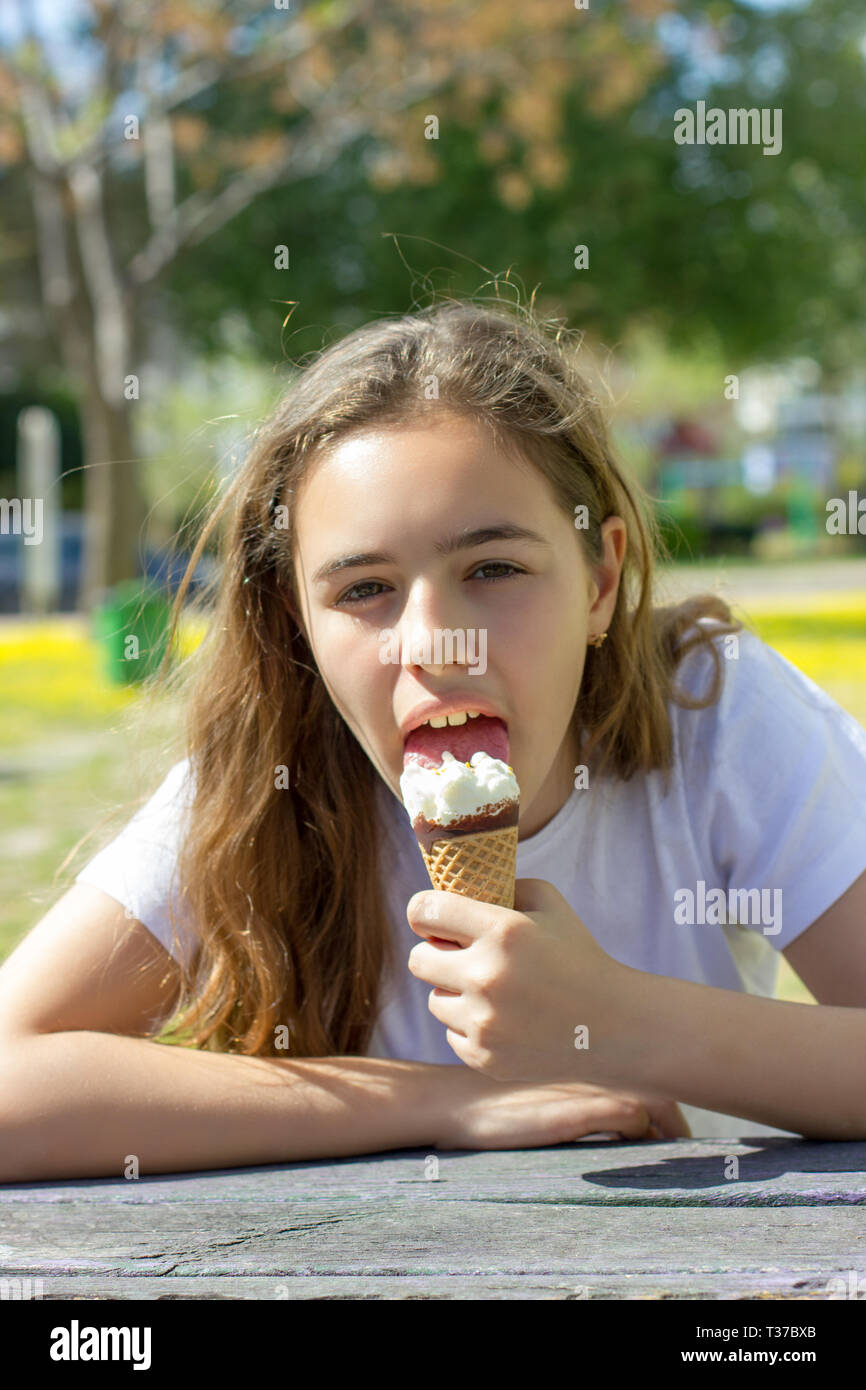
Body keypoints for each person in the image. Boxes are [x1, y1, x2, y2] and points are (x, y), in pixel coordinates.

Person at [2, 299, 866, 1182]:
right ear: (298, 623)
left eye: (493, 569)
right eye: (364, 589)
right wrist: (441, 1099)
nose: (433, 644)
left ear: (600, 579)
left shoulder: (711, 712)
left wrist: (618, 1021)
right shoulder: (266, 774)